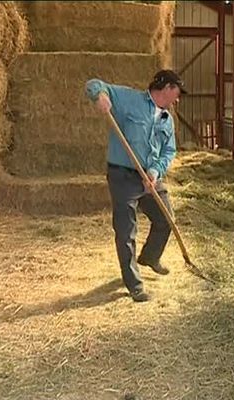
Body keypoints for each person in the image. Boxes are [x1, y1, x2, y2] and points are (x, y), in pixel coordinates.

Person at [85, 70, 186, 302]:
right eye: (177, 93)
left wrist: (155, 171)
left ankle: (150, 257)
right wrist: (99, 95)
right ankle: (134, 284)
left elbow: (169, 150)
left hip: (150, 178)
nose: (177, 99)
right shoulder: (128, 100)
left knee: (166, 218)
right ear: (167, 88)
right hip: (123, 175)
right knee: (126, 230)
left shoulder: (167, 120)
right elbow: (93, 83)